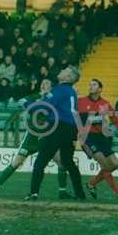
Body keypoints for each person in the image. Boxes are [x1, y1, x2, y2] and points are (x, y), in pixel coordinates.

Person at [0, 79, 74, 199]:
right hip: (32, 137)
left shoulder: (55, 101)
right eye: (42, 83)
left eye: (47, 84)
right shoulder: (35, 97)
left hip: (47, 137)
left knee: (61, 163)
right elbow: (21, 102)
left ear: (52, 88)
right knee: (16, 163)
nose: (43, 85)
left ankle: (62, 191)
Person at [24, 66, 86, 200]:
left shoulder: (59, 90)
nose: (61, 71)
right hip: (70, 129)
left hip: (58, 128)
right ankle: (80, 193)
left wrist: (26, 104)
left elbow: (44, 106)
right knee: (68, 161)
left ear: (68, 77)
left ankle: (34, 193)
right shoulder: (71, 92)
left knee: (40, 162)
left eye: (64, 71)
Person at [79, 79, 118, 200]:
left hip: (101, 137)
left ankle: (91, 184)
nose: (91, 86)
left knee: (115, 164)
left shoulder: (104, 104)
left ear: (100, 89)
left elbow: (114, 118)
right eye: (90, 84)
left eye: (94, 84)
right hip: (87, 137)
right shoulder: (81, 101)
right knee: (105, 165)